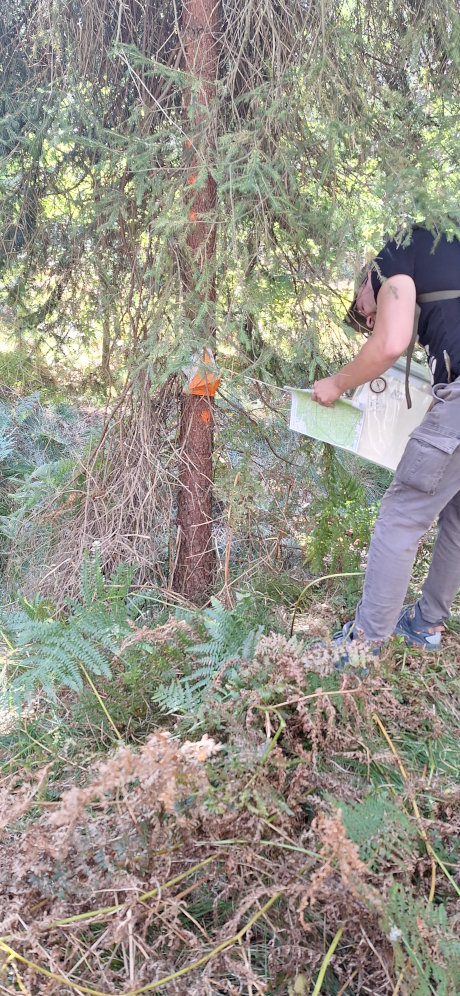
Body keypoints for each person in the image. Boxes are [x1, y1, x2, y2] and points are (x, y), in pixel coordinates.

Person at [312, 225, 460, 660]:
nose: (368, 319)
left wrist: (337, 383)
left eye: (362, 310)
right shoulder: (442, 260)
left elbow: (390, 343)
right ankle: (426, 625)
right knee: (456, 515)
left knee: (400, 517)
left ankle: (365, 647)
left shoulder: (394, 255)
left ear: (366, 279)